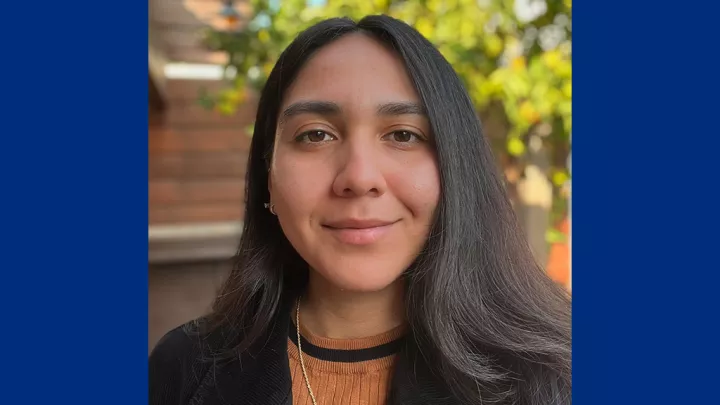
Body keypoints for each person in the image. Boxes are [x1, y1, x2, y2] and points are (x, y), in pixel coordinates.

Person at [149, 15, 571, 405]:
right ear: (269, 179)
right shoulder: (184, 371)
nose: (359, 176)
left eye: (403, 135)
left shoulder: (557, 376)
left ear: (454, 170)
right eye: (315, 135)